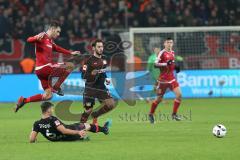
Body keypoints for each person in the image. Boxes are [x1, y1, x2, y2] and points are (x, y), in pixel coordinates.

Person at [14, 20, 80, 113]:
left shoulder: (50, 41)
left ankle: (24, 100)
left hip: (41, 72)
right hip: (45, 68)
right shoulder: (42, 36)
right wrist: (36, 37)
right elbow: (29, 40)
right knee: (70, 65)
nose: (58, 34)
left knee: (48, 96)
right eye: (57, 31)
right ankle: (56, 87)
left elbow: (57, 48)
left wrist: (70, 53)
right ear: (52, 29)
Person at [29, 102, 111, 143]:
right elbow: (64, 130)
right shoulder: (53, 119)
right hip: (68, 135)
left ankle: (83, 137)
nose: (53, 110)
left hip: (57, 140)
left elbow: (31, 139)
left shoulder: (37, 123)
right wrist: (78, 132)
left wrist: (35, 140)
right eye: (52, 108)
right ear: (48, 110)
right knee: (85, 125)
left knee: (79, 126)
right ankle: (104, 129)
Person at [80, 39, 116, 124]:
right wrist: (93, 73)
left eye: (102, 47)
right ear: (93, 48)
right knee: (88, 111)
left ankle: (96, 115)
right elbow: (83, 76)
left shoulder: (104, 60)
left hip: (101, 88)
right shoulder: (88, 61)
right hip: (90, 88)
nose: (101, 49)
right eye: (99, 47)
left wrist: (106, 78)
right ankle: (80, 129)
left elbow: (103, 72)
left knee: (111, 104)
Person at [148, 37, 182, 123]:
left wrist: (175, 67)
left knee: (179, 95)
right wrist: (165, 63)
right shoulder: (161, 53)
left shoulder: (173, 53)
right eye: (168, 42)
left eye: (171, 42)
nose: (169, 44)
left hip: (171, 79)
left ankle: (174, 114)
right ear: (164, 43)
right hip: (163, 80)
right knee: (158, 99)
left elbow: (171, 64)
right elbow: (155, 64)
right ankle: (151, 114)